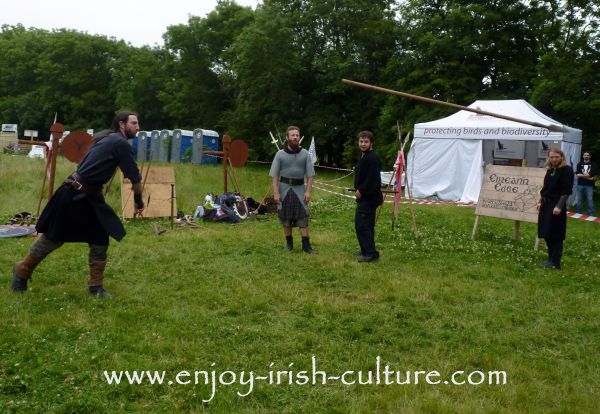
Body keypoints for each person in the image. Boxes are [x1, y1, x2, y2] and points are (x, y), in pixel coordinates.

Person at [12, 111, 145, 296]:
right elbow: (135, 178)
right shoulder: (119, 143)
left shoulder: (106, 138)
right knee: (54, 238)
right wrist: (139, 201)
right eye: (134, 123)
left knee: (100, 237)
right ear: (122, 124)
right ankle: (22, 271)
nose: (138, 128)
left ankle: (96, 286)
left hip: (90, 196)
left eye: (138, 124)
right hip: (74, 194)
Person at [269, 126, 316, 253]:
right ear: (287, 137)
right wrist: (276, 192)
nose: (295, 137)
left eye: (297, 135)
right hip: (284, 190)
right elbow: (275, 175)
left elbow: (310, 175)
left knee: (303, 217)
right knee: (286, 218)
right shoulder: (280, 154)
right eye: (292, 135)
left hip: (300, 190)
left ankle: (306, 246)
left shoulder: (305, 154)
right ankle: (289, 245)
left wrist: (308, 191)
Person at [536, 148, 574, 270]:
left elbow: (566, 190)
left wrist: (559, 206)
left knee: (556, 234)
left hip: (557, 205)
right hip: (546, 205)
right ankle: (550, 260)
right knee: (547, 232)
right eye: (551, 157)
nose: (553, 159)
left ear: (561, 157)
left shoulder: (567, 170)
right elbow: (545, 189)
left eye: (556, 157)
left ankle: (555, 262)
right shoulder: (550, 170)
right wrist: (540, 201)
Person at [353, 131, 383, 262]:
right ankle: (366, 249)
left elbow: (372, 179)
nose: (363, 144)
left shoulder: (372, 158)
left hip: (369, 198)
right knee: (367, 225)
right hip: (365, 197)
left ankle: (370, 253)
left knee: (362, 225)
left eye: (366, 142)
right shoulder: (364, 156)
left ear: (371, 143)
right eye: (361, 141)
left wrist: (362, 190)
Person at [575, 151, 597, 216]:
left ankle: (591, 213)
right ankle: (579, 212)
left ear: (590, 156)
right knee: (579, 199)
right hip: (580, 184)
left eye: (587, 155)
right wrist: (589, 177)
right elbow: (577, 174)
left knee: (590, 200)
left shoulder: (593, 164)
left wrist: (582, 175)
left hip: (589, 185)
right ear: (583, 156)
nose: (586, 156)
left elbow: (593, 174)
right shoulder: (579, 164)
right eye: (585, 155)